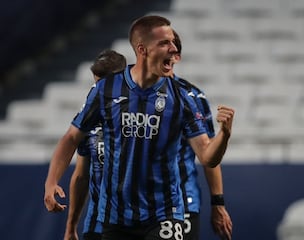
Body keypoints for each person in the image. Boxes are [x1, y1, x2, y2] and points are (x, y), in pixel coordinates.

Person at [44, 15, 234, 240]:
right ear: (142, 50)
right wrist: (51, 181)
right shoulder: (106, 90)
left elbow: (207, 156)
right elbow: (72, 138)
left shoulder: (183, 97)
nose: (174, 49)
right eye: (165, 43)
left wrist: (225, 134)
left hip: (165, 214)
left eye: (173, 42)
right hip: (115, 218)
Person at [171, 30, 232, 240]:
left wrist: (218, 202)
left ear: (176, 56)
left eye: (171, 48)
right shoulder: (130, 95)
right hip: (136, 206)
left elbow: (209, 153)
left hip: (182, 201)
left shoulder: (192, 96)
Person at [64, 49, 127, 240]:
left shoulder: (144, 118)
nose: (97, 91)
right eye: (96, 83)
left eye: (103, 85)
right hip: (97, 225)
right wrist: (71, 226)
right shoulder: (87, 124)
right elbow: (82, 176)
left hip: (139, 223)